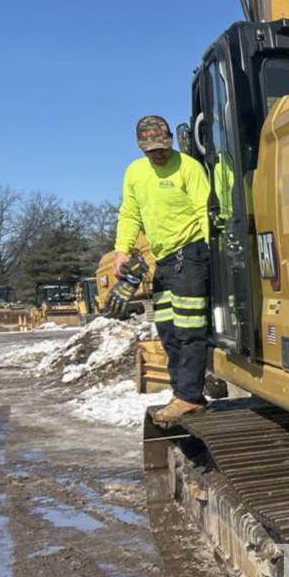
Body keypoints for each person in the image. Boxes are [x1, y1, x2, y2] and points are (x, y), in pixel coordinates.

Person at [111, 115, 212, 426]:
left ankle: (190, 396)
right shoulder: (135, 173)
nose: (158, 153)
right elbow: (130, 213)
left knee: (190, 329)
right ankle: (182, 392)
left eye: (162, 147)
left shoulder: (188, 168)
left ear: (169, 140)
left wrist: (212, 253)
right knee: (167, 329)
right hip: (164, 261)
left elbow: (204, 210)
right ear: (141, 147)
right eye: (151, 149)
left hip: (191, 253)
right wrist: (122, 250)